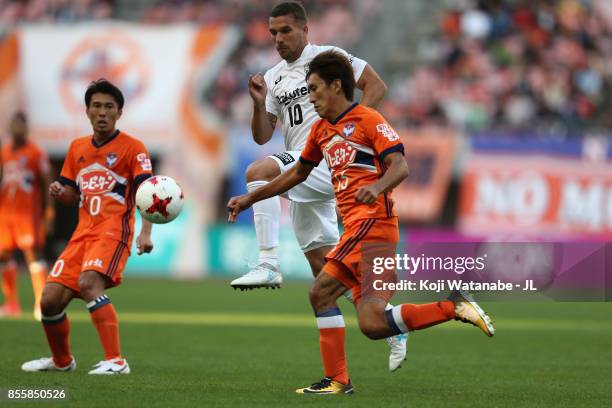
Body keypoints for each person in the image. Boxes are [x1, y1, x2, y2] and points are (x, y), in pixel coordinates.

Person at [228, 51, 495, 395]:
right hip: (360, 230)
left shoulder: (368, 120)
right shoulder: (322, 131)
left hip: (373, 225)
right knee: (371, 323)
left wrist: (377, 186)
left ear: (336, 86)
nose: (310, 98)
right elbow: (297, 173)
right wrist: (252, 197)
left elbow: (400, 167)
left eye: (314, 89)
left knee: (321, 292)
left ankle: (337, 381)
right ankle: (453, 306)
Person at [229, 1, 407, 372]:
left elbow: (376, 85)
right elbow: (264, 136)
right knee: (324, 273)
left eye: (286, 31)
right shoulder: (274, 77)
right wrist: (259, 104)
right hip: (304, 165)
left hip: (326, 161)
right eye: (273, 32)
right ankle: (388, 320)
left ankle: (267, 261)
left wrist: (348, 131)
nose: (278, 39)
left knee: (258, 171)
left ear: (305, 30)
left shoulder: (329, 58)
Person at [21, 79, 154, 375]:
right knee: (49, 300)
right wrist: (60, 192)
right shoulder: (77, 148)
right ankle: (62, 362)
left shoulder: (134, 148)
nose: (102, 112)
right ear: (87, 111)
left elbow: (148, 192)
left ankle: (116, 361)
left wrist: (146, 232)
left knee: (89, 283)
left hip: (113, 231)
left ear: (119, 112)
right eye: (97, 106)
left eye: (109, 106)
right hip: (82, 235)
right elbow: (72, 195)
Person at [0, 112, 53, 321]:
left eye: (21, 124)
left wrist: (49, 213)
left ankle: (41, 303)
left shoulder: (36, 152)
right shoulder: (5, 151)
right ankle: (11, 303)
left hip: (27, 214)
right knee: (3, 254)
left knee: (33, 254)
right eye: (14, 124)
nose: (17, 128)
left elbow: (47, 181)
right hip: (6, 213)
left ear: (26, 127)